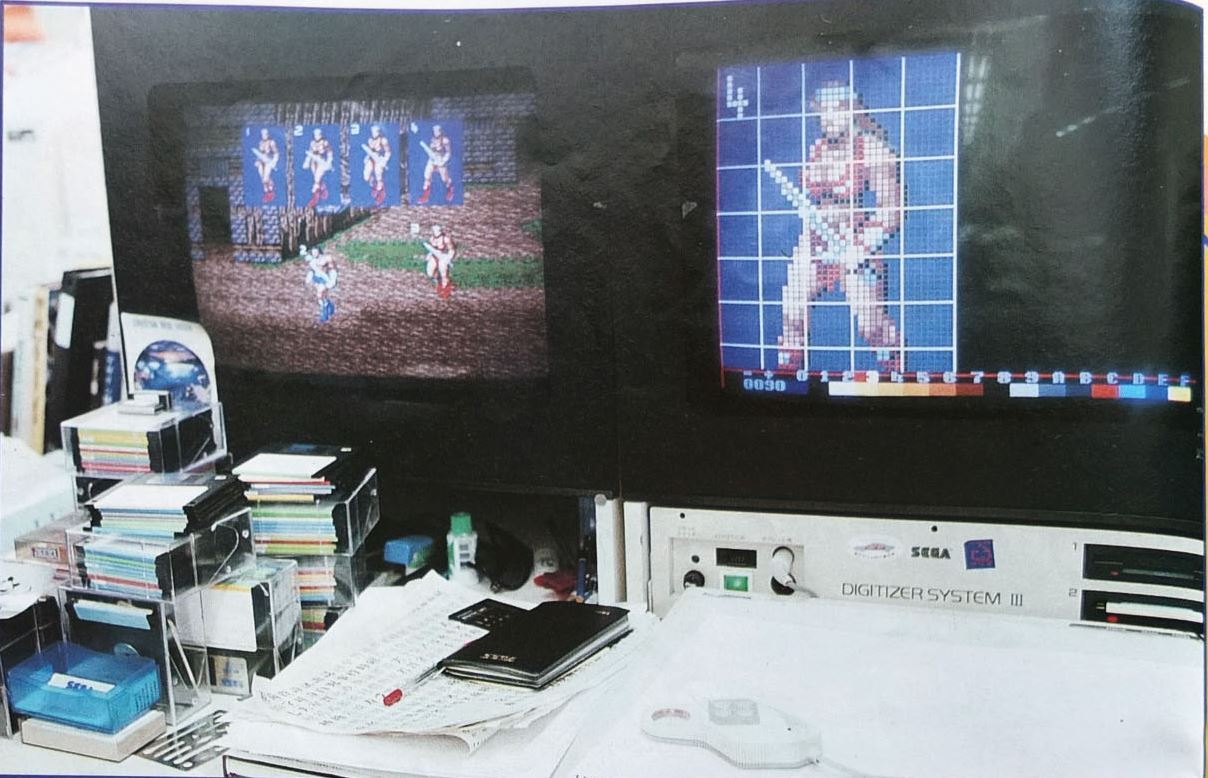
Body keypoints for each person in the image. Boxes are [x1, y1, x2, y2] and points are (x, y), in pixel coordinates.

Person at [770, 81, 903, 372]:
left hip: (855, 241)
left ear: (852, 110)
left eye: (837, 109)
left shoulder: (873, 149)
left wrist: (861, 247)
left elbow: (891, 210)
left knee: (872, 326)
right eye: (823, 110)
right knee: (792, 314)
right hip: (815, 241)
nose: (828, 117)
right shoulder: (818, 149)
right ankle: (786, 378)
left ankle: (898, 376)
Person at [416, 124, 454, 204]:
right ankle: (425, 195)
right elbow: (430, 150)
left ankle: (450, 190)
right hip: (432, 160)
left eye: (437, 131)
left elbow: (448, 152)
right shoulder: (432, 140)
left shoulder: (445, 140)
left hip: (441, 160)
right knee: (427, 175)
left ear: (440, 131)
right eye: (434, 131)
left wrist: (443, 160)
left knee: (445, 178)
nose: (435, 132)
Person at [304, 245, 338, 322]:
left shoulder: (326, 259)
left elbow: (333, 269)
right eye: (313, 252)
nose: (314, 254)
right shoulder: (312, 260)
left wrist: (332, 280)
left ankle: (324, 312)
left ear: (319, 252)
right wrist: (309, 278)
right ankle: (329, 305)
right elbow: (312, 270)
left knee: (320, 294)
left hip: (325, 279)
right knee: (321, 296)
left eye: (315, 252)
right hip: (317, 279)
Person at [303, 127, 335, 208]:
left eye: (318, 134)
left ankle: (315, 196)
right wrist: (307, 162)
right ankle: (322, 189)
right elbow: (310, 153)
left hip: (322, 162)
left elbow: (330, 153)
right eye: (315, 135)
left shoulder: (325, 142)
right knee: (316, 178)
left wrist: (329, 162)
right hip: (314, 162)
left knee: (317, 178)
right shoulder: (312, 143)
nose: (316, 136)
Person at [423, 224, 457, 299]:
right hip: (435, 256)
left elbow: (452, 250)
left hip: (443, 257)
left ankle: (445, 290)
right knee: (430, 273)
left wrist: (448, 258)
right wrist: (429, 255)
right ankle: (438, 282)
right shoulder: (432, 239)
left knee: (443, 273)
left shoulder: (446, 239)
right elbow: (432, 249)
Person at [361, 124, 392, 205]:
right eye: (372, 131)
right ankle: (372, 186)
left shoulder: (383, 140)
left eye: (375, 131)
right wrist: (367, 157)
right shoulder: (370, 140)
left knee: (378, 173)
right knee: (366, 175)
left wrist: (384, 160)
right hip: (371, 158)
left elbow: (388, 152)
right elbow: (369, 151)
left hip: (380, 159)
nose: (373, 133)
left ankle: (380, 192)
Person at [251, 128, 280, 203]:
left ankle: (271, 191)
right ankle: (268, 192)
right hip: (261, 162)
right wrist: (257, 161)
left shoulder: (271, 142)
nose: (264, 136)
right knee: (262, 179)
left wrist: (274, 162)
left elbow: (276, 153)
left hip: (268, 161)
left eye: (265, 134)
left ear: (268, 134)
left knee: (265, 178)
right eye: (262, 134)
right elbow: (260, 154)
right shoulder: (260, 142)